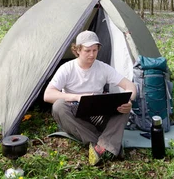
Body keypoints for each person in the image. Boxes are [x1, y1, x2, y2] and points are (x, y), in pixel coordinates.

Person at [44, 30, 136, 166]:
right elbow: (48, 95)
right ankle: (109, 145)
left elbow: (130, 85)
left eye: (95, 50)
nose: (92, 54)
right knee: (58, 106)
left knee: (124, 107)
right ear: (78, 50)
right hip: (76, 116)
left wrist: (129, 101)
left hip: (98, 114)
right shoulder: (67, 69)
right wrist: (77, 97)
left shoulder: (103, 68)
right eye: (87, 50)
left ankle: (101, 147)